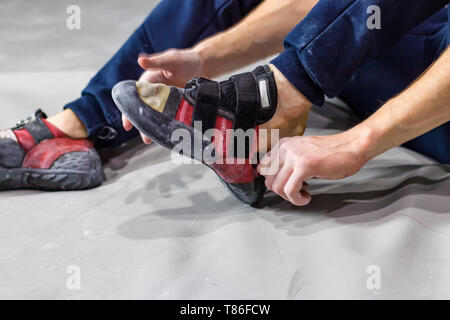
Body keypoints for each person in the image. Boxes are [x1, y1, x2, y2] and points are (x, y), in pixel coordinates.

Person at [1, 0, 448, 206]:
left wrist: (359, 141)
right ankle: (74, 130)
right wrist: (204, 57)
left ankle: (267, 105)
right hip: (387, 51)